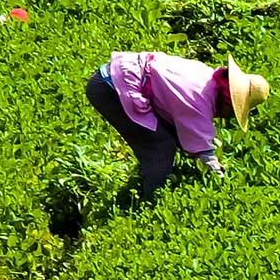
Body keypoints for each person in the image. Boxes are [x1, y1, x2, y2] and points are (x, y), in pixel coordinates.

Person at [85, 51, 269, 201]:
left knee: (167, 136)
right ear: (228, 103)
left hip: (113, 75)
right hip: (111, 89)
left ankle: (148, 184)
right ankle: (151, 206)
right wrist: (220, 181)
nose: (228, 117)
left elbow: (187, 132)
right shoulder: (198, 101)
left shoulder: (205, 74)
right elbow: (201, 151)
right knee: (161, 149)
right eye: (233, 111)